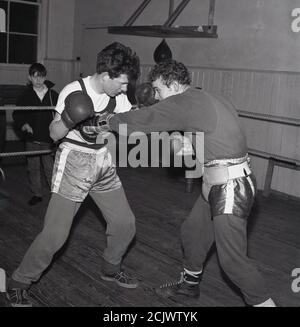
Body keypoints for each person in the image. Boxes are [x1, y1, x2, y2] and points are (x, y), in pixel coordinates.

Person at [105, 60, 276, 307]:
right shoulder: (203, 99)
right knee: (193, 232)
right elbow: (201, 141)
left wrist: (107, 121)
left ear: (172, 85)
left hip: (230, 187)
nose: (157, 95)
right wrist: (179, 136)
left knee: (233, 262)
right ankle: (189, 288)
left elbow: (144, 119)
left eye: (159, 89)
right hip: (219, 182)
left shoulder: (185, 102)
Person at [5, 42, 140, 307]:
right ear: (105, 76)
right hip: (74, 162)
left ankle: (110, 269)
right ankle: (19, 282)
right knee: (56, 233)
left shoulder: (119, 96)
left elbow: (125, 129)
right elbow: (54, 134)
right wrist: (69, 118)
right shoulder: (73, 91)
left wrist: (142, 114)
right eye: (122, 83)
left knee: (125, 223)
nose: (125, 89)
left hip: (103, 162)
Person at [13, 63, 59, 206]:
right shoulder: (25, 95)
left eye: (42, 77)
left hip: (48, 137)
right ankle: (37, 194)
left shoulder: (53, 95)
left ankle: (56, 194)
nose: (39, 80)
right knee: (33, 167)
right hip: (32, 137)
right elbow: (17, 114)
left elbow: (60, 113)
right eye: (35, 77)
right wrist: (24, 124)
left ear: (45, 77)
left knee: (50, 167)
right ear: (30, 78)